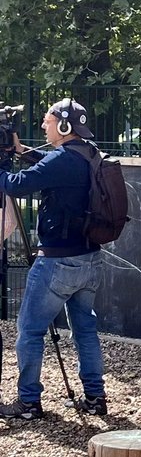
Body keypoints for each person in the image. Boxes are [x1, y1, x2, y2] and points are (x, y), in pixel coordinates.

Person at [0, 99, 107, 420]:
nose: (43, 126)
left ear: (63, 126)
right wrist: (21, 151)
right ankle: (95, 398)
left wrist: (3, 165)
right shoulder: (88, 153)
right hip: (89, 258)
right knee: (85, 331)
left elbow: (15, 185)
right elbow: (52, 165)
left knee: (30, 330)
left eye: (47, 121)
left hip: (58, 263)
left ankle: (29, 403)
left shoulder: (63, 161)